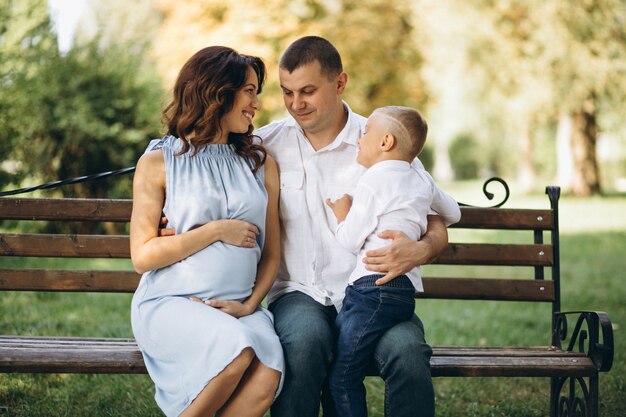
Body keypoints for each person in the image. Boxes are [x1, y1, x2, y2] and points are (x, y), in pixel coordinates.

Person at [255, 36, 450, 417]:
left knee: (409, 354)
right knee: (304, 344)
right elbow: (213, 179)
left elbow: (436, 221)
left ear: (340, 83)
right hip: (299, 293)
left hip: (372, 292)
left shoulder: (383, 140)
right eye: (287, 92)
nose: (296, 104)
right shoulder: (267, 143)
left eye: (308, 91)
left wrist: (423, 249)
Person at [130, 46, 284, 417]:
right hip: (174, 302)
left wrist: (248, 305)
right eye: (249, 91)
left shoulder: (261, 165)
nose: (255, 103)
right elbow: (143, 256)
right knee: (237, 349)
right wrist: (215, 231)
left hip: (239, 309)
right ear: (218, 93)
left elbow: (272, 253)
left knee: (269, 372)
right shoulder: (159, 162)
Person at [324, 106, 461, 417]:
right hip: (403, 293)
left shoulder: (372, 181)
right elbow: (453, 213)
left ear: (385, 142)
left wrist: (344, 214)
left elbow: (349, 240)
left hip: (371, 290)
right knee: (348, 349)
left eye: (366, 133)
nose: (360, 138)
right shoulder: (420, 178)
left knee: (342, 377)